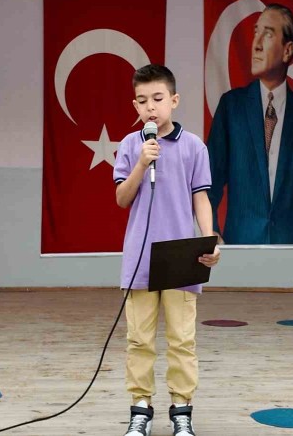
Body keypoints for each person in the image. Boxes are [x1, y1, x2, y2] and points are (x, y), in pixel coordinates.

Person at [113, 64, 221, 436]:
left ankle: (182, 412)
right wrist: (142, 163)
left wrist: (210, 239)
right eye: (142, 100)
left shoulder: (194, 146)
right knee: (139, 340)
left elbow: (201, 198)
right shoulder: (131, 145)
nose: (151, 107)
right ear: (135, 105)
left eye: (158, 98)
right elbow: (122, 198)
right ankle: (140, 409)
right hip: (140, 259)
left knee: (182, 340)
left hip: (182, 257)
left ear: (174, 100)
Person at [207, 3, 293, 245]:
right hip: (240, 248)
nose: (256, 44)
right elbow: (207, 181)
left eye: (267, 34)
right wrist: (210, 230)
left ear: (288, 51)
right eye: (255, 32)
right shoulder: (231, 108)